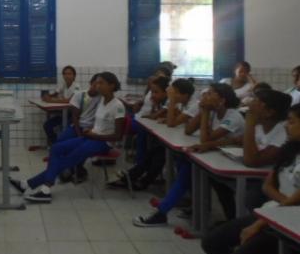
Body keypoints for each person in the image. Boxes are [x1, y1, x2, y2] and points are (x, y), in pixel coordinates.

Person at [133, 83, 245, 227]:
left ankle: (162, 211)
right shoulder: (213, 112)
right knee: (185, 166)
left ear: (222, 100)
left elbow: (205, 139)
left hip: (233, 164)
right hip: (216, 157)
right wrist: (204, 110)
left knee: (188, 171)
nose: (205, 96)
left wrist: (204, 112)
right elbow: (189, 130)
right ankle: (185, 208)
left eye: (210, 94)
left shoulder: (233, 116)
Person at [9, 72, 124, 203]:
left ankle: (39, 188)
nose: (97, 85)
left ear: (111, 85)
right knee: (57, 148)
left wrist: (94, 135)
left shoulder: (118, 106)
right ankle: (30, 186)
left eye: (101, 83)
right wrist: (91, 132)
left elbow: (118, 136)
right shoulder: (102, 101)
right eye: (96, 82)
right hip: (91, 137)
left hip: (103, 143)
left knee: (67, 160)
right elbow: (95, 118)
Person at [201, 104, 300, 254]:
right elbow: (268, 186)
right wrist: (286, 202)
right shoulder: (290, 149)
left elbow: (294, 202)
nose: (286, 126)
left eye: (292, 122)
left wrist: (259, 224)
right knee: (211, 241)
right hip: (273, 211)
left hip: (289, 220)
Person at [211, 88, 291, 220]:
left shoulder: (282, 131)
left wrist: (250, 123)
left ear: (269, 112)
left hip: (270, 180)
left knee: (252, 196)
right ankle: (232, 219)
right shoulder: (261, 125)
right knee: (217, 179)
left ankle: (251, 225)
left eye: (256, 101)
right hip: (253, 174)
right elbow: (236, 140)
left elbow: (251, 161)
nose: (250, 104)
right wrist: (207, 146)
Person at [109, 78, 196, 191]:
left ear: (184, 95)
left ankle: (135, 179)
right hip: (182, 139)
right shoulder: (181, 103)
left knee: (159, 154)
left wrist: (172, 102)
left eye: (174, 93)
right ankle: (132, 178)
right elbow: (173, 120)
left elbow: (171, 123)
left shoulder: (193, 105)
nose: (172, 95)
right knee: (154, 153)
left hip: (190, 143)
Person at [42, 65, 81, 144]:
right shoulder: (63, 84)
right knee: (47, 125)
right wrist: (47, 96)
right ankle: (54, 145)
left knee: (66, 130)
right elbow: (54, 94)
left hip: (74, 116)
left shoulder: (77, 86)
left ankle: (63, 146)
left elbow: (70, 101)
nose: (67, 76)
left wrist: (50, 101)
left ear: (74, 76)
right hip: (63, 114)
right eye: (65, 74)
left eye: (69, 74)